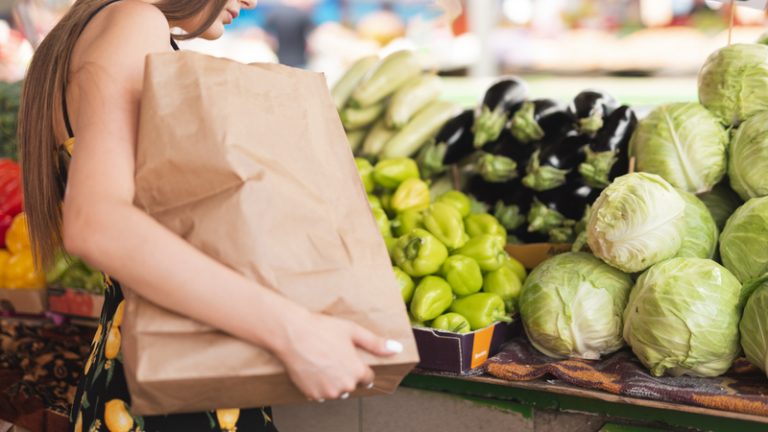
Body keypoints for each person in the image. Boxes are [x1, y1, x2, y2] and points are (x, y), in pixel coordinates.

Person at [17, 0, 402, 430]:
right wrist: (296, 331)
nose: (251, 1)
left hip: (139, 383)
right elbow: (98, 224)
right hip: (170, 401)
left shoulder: (88, 32)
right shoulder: (134, 21)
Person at [264, 1, 314, 68]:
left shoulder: (274, 13)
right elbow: (310, 41)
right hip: (299, 60)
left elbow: (267, 36)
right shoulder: (302, 14)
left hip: (280, 60)